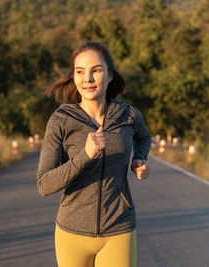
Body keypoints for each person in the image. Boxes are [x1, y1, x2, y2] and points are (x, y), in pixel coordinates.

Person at [36, 41, 151, 267]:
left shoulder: (127, 115)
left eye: (96, 70)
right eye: (80, 72)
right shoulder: (61, 120)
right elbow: (44, 184)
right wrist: (85, 156)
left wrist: (140, 158)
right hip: (72, 234)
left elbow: (144, 136)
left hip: (119, 227)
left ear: (109, 76)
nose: (87, 78)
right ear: (74, 77)